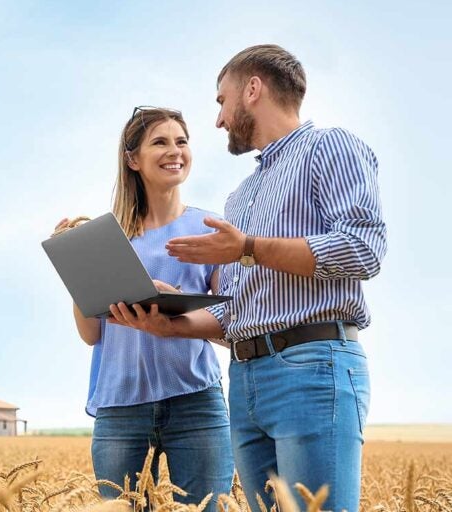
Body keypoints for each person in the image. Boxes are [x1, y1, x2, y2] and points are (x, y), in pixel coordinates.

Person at [107, 45, 386, 512]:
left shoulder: (329, 147)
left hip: (311, 367)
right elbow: (236, 310)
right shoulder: (241, 197)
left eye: (221, 100)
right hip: (246, 377)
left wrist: (249, 248)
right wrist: (169, 321)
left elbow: (363, 250)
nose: (217, 119)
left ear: (252, 90)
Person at [55, 107, 234, 510]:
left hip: (197, 400)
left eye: (182, 141)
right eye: (160, 142)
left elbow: (231, 328)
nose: (175, 151)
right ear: (132, 159)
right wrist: (77, 266)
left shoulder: (213, 228)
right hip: (120, 407)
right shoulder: (106, 238)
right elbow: (91, 334)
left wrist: (175, 315)